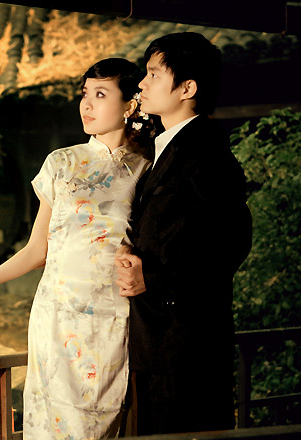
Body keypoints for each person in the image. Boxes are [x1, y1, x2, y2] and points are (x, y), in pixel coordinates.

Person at [0, 58, 153, 439]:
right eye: (85, 94)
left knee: (96, 425)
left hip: (109, 322)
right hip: (55, 318)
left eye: (100, 94)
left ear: (130, 105)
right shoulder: (62, 163)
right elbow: (36, 250)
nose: (86, 104)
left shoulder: (145, 169)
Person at [115, 32, 252, 435]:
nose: (142, 84)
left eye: (154, 74)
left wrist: (152, 278)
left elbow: (230, 243)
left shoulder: (205, 153)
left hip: (187, 345)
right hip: (159, 341)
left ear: (187, 89)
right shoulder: (166, 148)